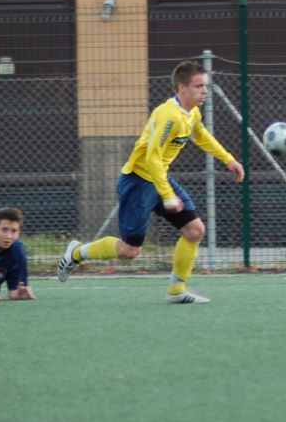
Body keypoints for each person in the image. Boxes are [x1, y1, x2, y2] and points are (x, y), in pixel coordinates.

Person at [57, 59, 244, 303]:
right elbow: (153, 158)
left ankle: (177, 291)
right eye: (199, 86)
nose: (204, 91)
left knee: (194, 230)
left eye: (206, 86)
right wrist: (167, 195)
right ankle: (77, 252)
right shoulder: (168, 116)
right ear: (182, 88)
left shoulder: (191, 113)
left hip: (159, 178)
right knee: (130, 251)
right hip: (138, 181)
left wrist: (228, 160)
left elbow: (201, 135)